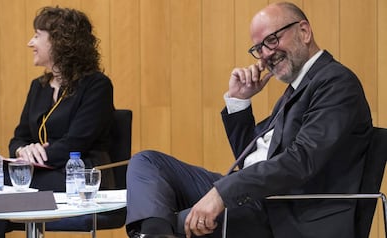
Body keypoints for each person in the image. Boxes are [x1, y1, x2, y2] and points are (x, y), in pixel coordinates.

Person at [125, 2, 372, 238]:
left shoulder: (336, 82)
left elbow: (301, 160)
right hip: (258, 199)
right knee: (147, 162)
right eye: (258, 48)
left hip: (288, 211)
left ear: (304, 31)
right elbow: (251, 157)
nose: (265, 55)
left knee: (178, 222)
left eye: (272, 40)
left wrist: (222, 193)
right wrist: (239, 101)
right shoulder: (297, 88)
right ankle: (154, 234)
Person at [0, 6, 115, 237]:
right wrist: (23, 149)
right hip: (36, 175)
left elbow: (76, 143)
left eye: (37, 35)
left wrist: (36, 155)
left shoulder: (97, 85)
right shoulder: (38, 87)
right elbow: (18, 138)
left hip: (78, 180)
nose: (30, 43)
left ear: (61, 42)